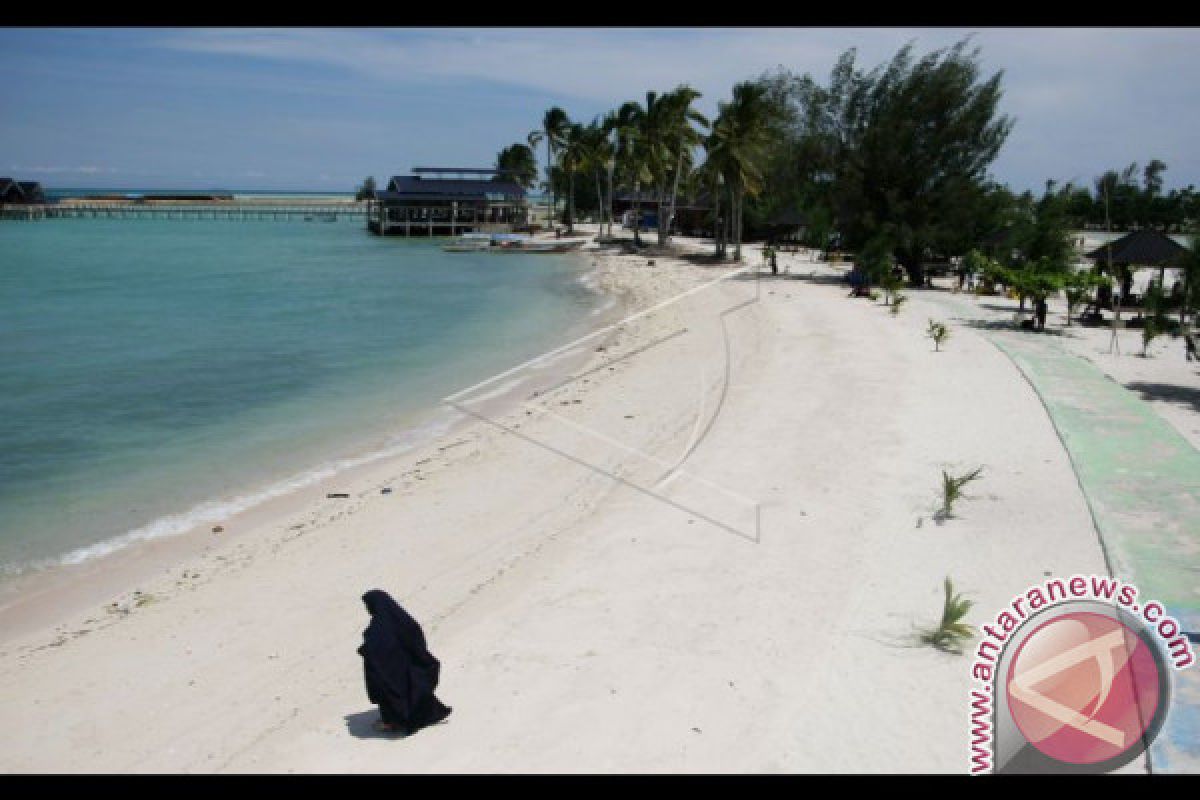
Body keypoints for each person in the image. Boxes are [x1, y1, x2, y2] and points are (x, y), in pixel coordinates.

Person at [357, 589, 452, 736]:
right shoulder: (401, 617)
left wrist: (365, 649)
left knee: (390, 692)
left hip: (391, 669)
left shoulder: (378, 625)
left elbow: (377, 648)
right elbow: (416, 636)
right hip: (410, 666)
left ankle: (392, 723)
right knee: (414, 690)